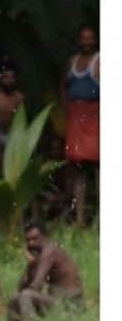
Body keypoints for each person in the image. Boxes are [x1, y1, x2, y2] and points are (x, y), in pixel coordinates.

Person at [8, 220, 85, 321]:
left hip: (71, 304)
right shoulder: (39, 256)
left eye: (35, 239)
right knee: (14, 298)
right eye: (28, 240)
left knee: (26, 295)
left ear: (46, 237)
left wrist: (32, 265)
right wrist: (31, 265)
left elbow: (36, 286)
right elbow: (20, 288)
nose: (31, 243)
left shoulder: (50, 251)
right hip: (58, 301)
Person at [62, 25, 99, 227]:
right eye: (83, 38)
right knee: (78, 168)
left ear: (95, 40)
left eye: (90, 38)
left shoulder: (100, 61)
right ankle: (80, 220)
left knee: (99, 167)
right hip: (76, 117)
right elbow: (64, 87)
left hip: (95, 116)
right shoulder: (72, 62)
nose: (86, 42)